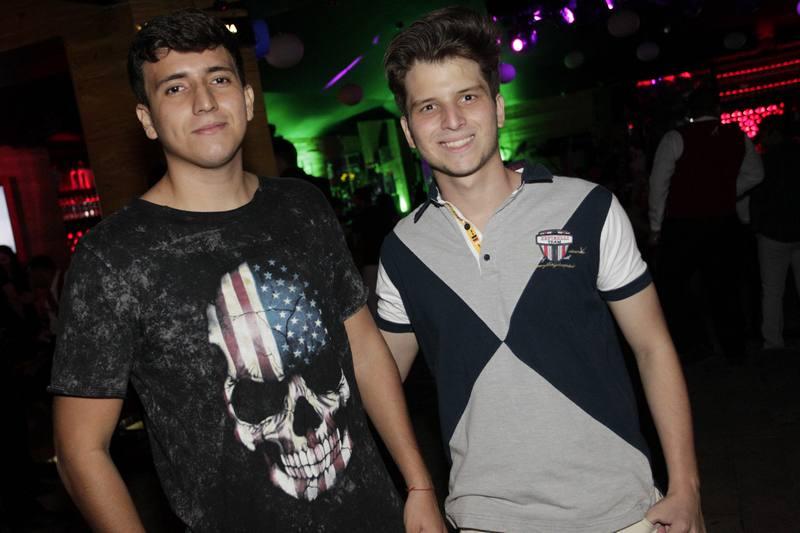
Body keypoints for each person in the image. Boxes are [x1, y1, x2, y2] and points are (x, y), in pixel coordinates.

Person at [49, 9, 445, 532]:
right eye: (175, 88)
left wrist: (418, 484)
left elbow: (365, 349)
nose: (205, 101)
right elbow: (79, 450)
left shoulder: (303, 207)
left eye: (219, 79)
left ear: (248, 98)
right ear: (146, 118)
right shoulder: (114, 256)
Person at [377, 7, 704, 532]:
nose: (452, 121)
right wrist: (418, 485)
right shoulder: (402, 249)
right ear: (409, 131)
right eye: (428, 107)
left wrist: (686, 487)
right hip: (486, 518)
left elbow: (653, 347)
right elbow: (380, 382)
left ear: (498, 108)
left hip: (621, 509)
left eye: (468, 97)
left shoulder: (589, 208)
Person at [648, 86, 763, 362]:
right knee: (725, 287)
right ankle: (733, 348)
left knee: (675, 287)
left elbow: (658, 184)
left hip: (683, 224)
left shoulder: (675, 138)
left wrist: (655, 226)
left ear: (689, 111)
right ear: (717, 109)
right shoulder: (737, 136)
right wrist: (726, 191)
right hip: (723, 222)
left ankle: (691, 346)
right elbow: (756, 174)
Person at [750, 114, 800, 351]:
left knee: (772, 290)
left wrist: (756, 226)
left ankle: (773, 342)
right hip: (794, 228)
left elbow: (757, 197)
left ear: (773, 134)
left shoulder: (764, 161)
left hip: (773, 232)